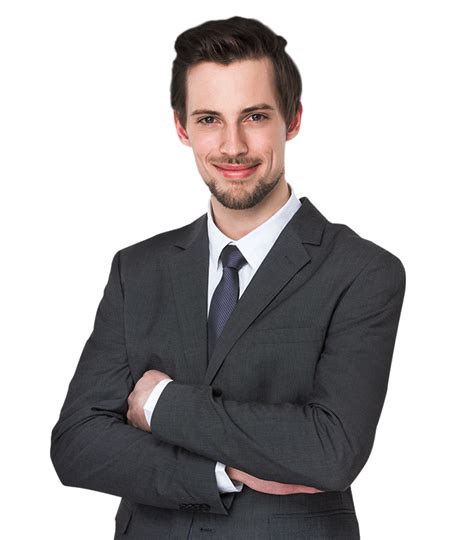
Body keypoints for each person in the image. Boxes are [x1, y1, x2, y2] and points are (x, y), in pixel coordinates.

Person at [51, 15, 406, 539]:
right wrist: (222, 472)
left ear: (293, 119)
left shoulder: (362, 271)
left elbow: (331, 451)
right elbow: (77, 444)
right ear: (182, 128)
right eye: (209, 119)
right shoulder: (137, 269)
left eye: (255, 116)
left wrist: (161, 404)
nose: (233, 146)